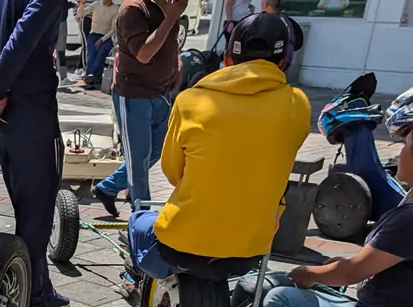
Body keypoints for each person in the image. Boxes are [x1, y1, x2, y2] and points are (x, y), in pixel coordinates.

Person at [256, 88, 413, 307]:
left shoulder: (410, 220)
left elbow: (351, 272)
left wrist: (310, 273)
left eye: (404, 144)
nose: (399, 152)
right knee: (279, 299)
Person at [125, 14, 307, 283]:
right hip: (251, 248)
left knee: (138, 221)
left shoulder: (190, 101)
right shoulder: (298, 105)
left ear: (228, 59)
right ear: (283, 62)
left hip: (182, 243)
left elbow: (173, 171)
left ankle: (141, 277)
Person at [0, 0, 79, 307]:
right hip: (28, 111)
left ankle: (40, 289)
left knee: (31, 207)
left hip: (12, 113)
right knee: (36, 215)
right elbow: (22, 38)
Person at [91, 0, 186, 218]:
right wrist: (171, 18)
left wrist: (176, 62)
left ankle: (107, 188)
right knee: (138, 158)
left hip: (161, 92)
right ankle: (141, 217)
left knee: (158, 150)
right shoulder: (133, 10)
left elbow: (168, 42)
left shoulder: (169, 7)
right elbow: (144, 54)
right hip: (134, 94)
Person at [81, 0, 117, 90]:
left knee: (102, 52)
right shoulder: (96, 4)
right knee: (92, 55)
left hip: (107, 37)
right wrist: (81, 5)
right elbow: (82, 13)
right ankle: (91, 77)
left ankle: (91, 76)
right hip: (94, 34)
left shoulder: (115, 9)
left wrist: (102, 40)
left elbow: (113, 29)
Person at [260, 0, 303, 72]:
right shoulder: (288, 22)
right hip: (282, 66)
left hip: (262, 66)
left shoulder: (260, 22)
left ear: (264, 4)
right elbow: (297, 42)